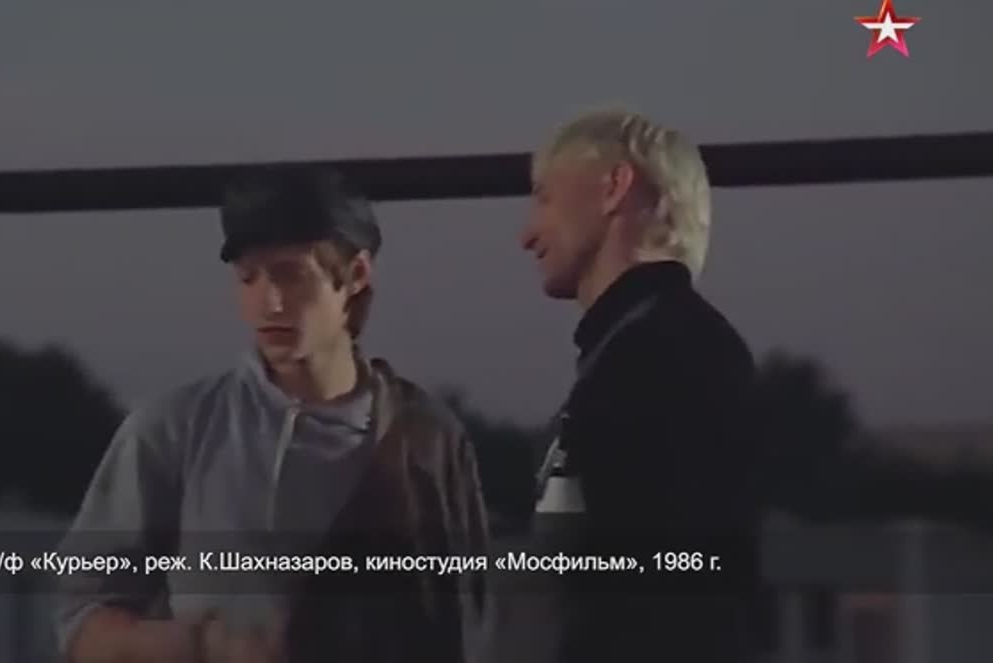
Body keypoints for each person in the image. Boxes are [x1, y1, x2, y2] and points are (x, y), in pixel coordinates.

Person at [55, 168, 492, 663]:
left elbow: (471, 630)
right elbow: (82, 618)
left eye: (291, 275)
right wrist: (200, 645)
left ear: (355, 276)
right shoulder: (175, 430)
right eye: (249, 278)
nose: (270, 303)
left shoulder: (427, 438)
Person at [520, 109, 762, 661]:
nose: (526, 235)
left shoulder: (664, 354)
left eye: (545, 198)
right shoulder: (654, 347)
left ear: (614, 187)